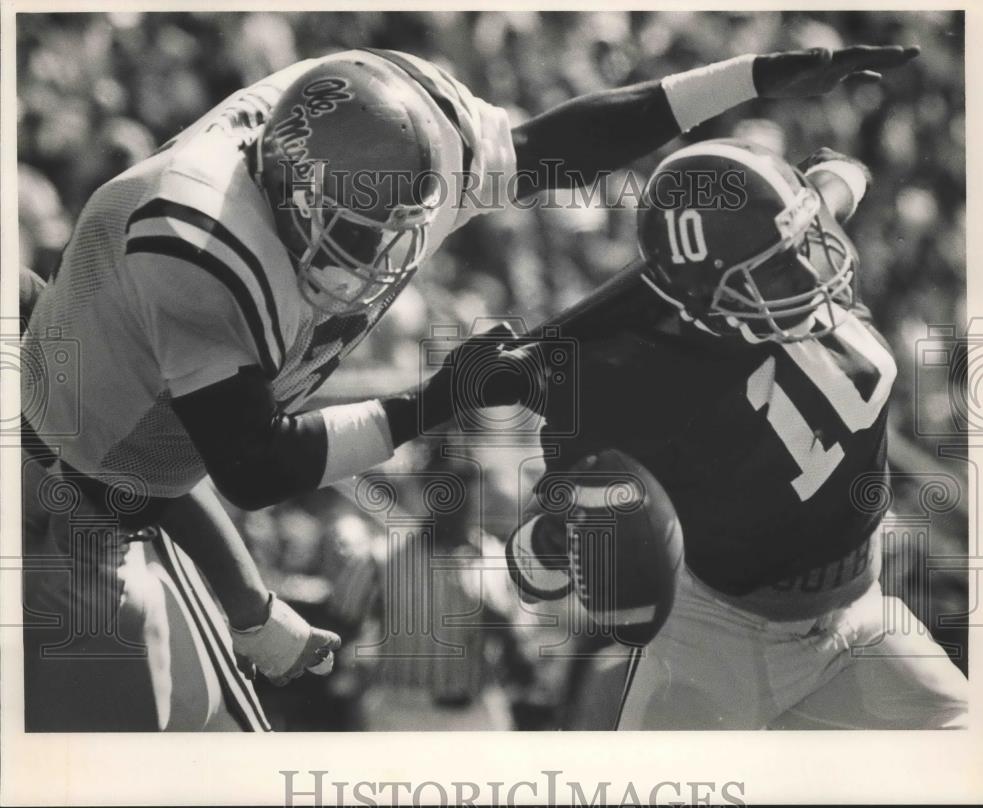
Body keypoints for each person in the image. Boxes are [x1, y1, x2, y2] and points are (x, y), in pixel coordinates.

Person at [21, 43, 919, 730]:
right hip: (54, 505)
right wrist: (434, 401)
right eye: (358, 232)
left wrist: (752, 76)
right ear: (292, 193)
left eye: (398, 228)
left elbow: (563, 147)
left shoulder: (401, 145)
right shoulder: (195, 250)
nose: (387, 258)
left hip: (129, 486)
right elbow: (254, 466)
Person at [505, 138, 969, 729]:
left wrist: (824, 182)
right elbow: (531, 571)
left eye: (799, 245)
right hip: (717, 642)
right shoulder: (633, 386)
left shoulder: (800, 288)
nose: (807, 269)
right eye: (776, 265)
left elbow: (845, 173)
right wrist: (562, 538)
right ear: (706, 300)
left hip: (861, 617)